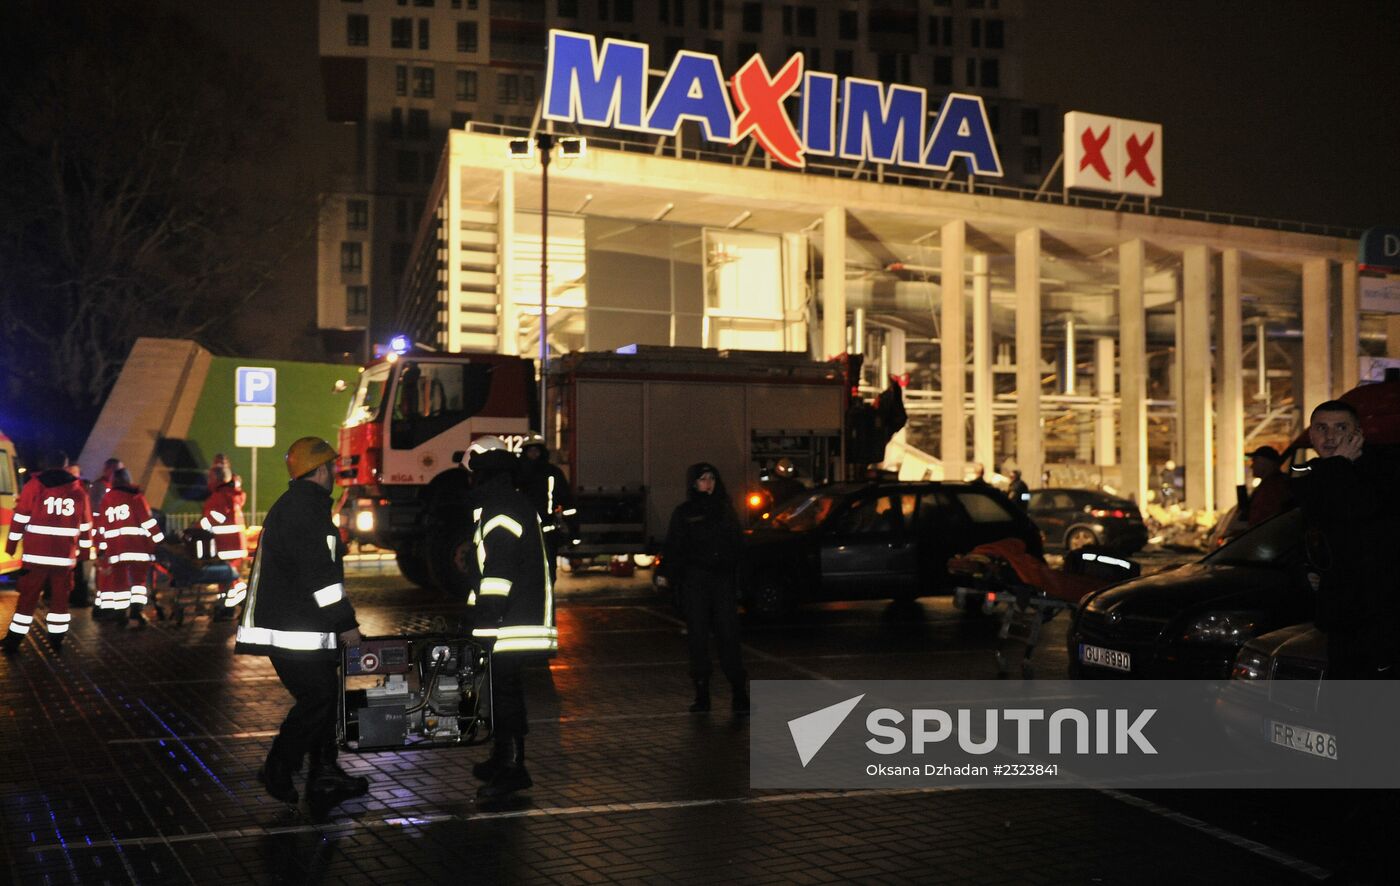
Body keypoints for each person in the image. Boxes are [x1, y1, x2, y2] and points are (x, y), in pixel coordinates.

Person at [235, 436, 368, 809]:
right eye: (334, 468)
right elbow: (320, 578)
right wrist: (346, 624)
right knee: (319, 698)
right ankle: (279, 767)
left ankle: (324, 775)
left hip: (304, 629)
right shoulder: (304, 511)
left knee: (326, 699)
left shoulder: (301, 506)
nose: (336, 475)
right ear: (322, 469)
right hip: (296, 632)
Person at [464, 435, 557, 802]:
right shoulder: (508, 503)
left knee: (503, 695)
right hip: (514, 617)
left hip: (509, 622)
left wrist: (484, 620)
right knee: (503, 692)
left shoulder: (499, 509)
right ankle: (503, 759)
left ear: (485, 476)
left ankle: (513, 768)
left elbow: (498, 573)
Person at [1291, 400, 1400, 680]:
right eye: (1321, 428)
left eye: (1341, 427)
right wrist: (1311, 569)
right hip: (1341, 613)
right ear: (1311, 435)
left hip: (1380, 617)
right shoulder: (1316, 473)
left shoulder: (1383, 470)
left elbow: (1357, 512)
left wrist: (1338, 465)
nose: (1330, 437)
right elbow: (1309, 531)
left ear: (1358, 434)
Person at [657, 463, 749, 713]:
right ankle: (702, 695)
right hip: (696, 580)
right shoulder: (685, 512)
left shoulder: (725, 510)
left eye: (711, 478)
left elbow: (738, 545)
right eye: (702, 479)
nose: (708, 483)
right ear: (693, 483)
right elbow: (675, 546)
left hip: (721, 581)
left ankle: (739, 694)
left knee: (728, 636)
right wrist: (668, 576)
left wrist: (738, 580)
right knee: (697, 638)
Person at [3, 450, 92, 655]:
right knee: (60, 598)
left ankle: (14, 640)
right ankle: (57, 638)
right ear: (66, 465)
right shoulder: (79, 491)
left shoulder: (34, 485)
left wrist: (11, 546)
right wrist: (85, 554)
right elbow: (87, 525)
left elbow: (20, 518)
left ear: (46, 463)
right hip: (64, 557)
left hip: (36, 555)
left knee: (28, 597)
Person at [95, 468, 164, 627]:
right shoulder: (136, 497)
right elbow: (147, 522)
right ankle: (135, 615)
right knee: (138, 583)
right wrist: (159, 539)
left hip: (116, 550)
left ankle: (120, 616)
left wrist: (103, 549)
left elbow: (103, 527)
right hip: (137, 547)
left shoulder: (107, 499)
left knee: (119, 584)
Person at [515, 432, 577, 585]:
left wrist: (572, 532)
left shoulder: (553, 473)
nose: (534, 453)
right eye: (530, 450)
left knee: (548, 574)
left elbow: (567, 502)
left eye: (537, 450)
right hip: (523, 532)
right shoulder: (516, 474)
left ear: (542, 452)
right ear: (524, 452)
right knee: (526, 574)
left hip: (548, 533)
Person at [202, 463, 247, 619]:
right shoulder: (230, 494)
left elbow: (216, 517)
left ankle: (229, 608)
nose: (208, 480)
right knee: (229, 578)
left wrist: (197, 527)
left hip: (227, 545)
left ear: (217, 478)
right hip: (234, 544)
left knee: (227, 578)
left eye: (210, 477)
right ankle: (232, 604)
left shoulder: (220, 496)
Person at [1243, 446, 1294, 528]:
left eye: (1255, 461)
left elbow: (1265, 518)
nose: (1251, 466)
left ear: (1264, 462)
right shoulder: (1275, 483)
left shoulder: (1272, 488)